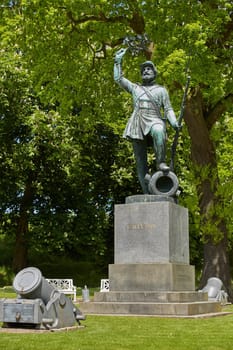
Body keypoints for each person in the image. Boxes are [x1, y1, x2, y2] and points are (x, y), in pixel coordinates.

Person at [114, 48, 180, 194]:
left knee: (158, 129)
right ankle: (147, 191)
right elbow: (118, 79)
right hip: (137, 123)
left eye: (149, 69)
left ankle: (160, 162)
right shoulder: (135, 88)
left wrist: (174, 122)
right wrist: (117, 61)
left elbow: (168, 109)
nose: (146, 71)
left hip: (154, 119)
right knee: (140, 162)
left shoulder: (161, 90)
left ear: (154, 73)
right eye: (144, 69)